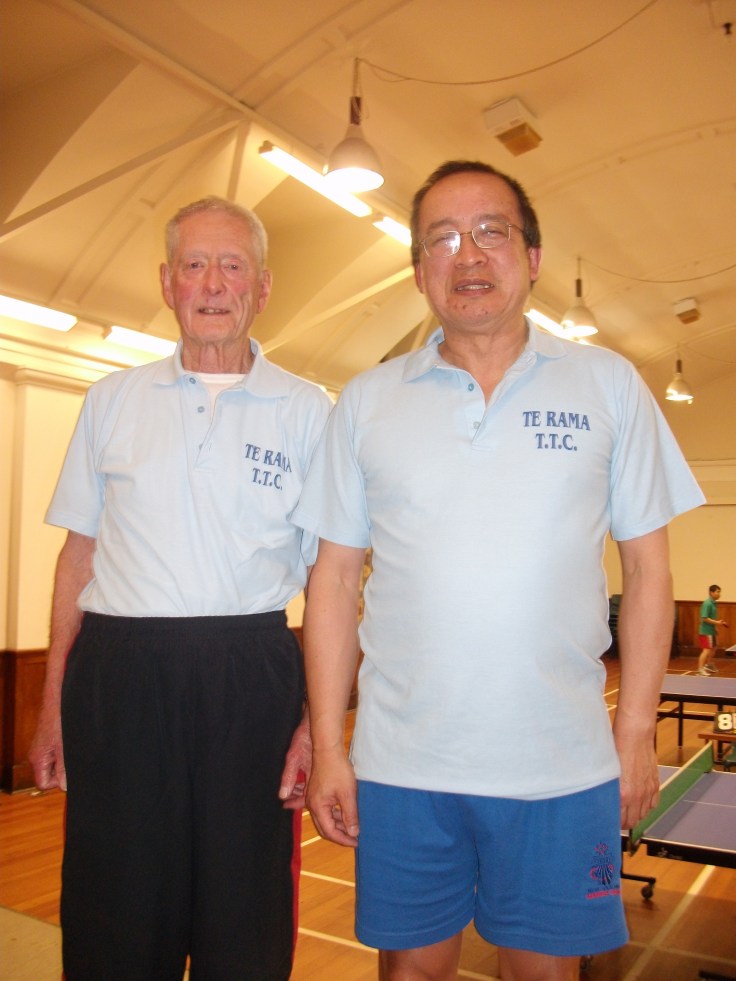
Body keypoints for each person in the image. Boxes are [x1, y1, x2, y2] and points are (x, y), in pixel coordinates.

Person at [292, 160, 705, 981]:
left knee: (544, 974)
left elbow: (649, 569)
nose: (469, 254)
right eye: (442, 238)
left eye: (491, 231)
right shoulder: (366, 401)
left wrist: (635, 733)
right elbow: (332, 582)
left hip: (561, 764)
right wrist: (331, 745)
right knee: (410, 972)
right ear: (419, 271)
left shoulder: (609, 385)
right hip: (403, 764)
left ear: (533, 256)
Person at [29, 196, 332, 981]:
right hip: (120, 679)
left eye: (232, 265)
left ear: (263, 286)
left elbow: (332, 584)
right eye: (194, 265)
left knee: (244, 922)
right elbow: (78, 558)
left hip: (251, 680)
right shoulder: (111, 401)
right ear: (167, 283)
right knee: (116, 918)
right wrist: (53, 702)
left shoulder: (308, 412)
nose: (213, 283)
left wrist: (319, 724)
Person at [698, 584, 727, 675]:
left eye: (719, 592)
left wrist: (716, 626)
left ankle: (709, 665)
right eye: (717, 592)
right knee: (706, 650)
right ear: (711, 592)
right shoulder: (707, 603)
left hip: (712, 630)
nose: (719, 594)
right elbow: (704, 618)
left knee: (714, 647)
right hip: (705, 631)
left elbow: (712, 618)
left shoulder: (714, 603)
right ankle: (700, 669)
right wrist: (717, 623)